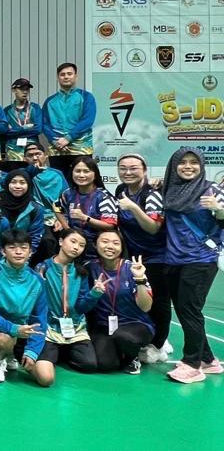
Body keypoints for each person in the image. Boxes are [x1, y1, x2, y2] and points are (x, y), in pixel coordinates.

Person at [159, 147, 224, 383]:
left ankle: (192, 364)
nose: (188, 166)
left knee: (189, 309)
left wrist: (219, 210)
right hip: (175, 258)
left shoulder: (212, 190)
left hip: (200, 259)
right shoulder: (171, 189)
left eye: (193, 162)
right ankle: (208, 360)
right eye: (182, 162)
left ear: (202, 165)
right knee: (185, 308)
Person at [113, 153, 171, 363]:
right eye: (123, 168)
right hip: (134, 256)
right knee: (139, 299)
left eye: (133, 168)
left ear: (144, 170)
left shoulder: (152, 194)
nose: (128, 172)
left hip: (158, 256)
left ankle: (159, 345)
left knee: (159, 301)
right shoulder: (121, 190)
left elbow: (153, 228)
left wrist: (134, 208)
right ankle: (154, 336)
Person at [0, 230, 49, 385]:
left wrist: (32, 351)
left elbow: (40, 318)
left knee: (46, 379)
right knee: (4, 339)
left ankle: (11, 355)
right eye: (12, 247)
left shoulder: (37, 280)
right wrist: (14, 329)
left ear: (30, 251)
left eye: (23, 247)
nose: (18, 252)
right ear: (3, 251)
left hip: (25, 331)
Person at [34, 230, 103, 382]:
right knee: (46, 373)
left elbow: (81, 307)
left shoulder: (81, 272)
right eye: (73, 241)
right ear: (60, 241)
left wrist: (94, 294)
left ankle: (62, 352)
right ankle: (55, 351)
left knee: (89, 365)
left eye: (82, 245)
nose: (76, 247)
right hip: (49, 328)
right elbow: (36, 301)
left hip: (75, 327)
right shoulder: (42, 268)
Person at [87, 231, 154, 374]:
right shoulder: (90, 267)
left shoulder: (132, 268)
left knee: (123, 336)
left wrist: (140, 279)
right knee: (105, 365)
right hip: (105, 326)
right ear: (95, 245)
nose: (110, 246)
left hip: (136, 324)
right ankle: (119, 352)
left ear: (122, 247)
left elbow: (146, 306)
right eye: (105, 241)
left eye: (116, 243)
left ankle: (132, 356)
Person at [55, 156, 117, 257]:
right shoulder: (68, 193)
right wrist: (67, 228)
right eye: (77, 171)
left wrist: (85, 218)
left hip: (96, 247)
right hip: (73, 245)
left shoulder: (104, 197)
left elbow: (110, 226)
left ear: (95, 174)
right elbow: (56, 207)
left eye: (86, 171)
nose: (81, 175)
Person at [42, 63, 96, 176]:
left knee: (83, 181)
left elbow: (87, 120)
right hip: (57, 149)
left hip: (81, 148)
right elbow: (44, 124)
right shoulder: (50, 101)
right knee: (60, 183)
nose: (66, 77)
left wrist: (68, 138)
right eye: (62, 74)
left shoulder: (86, 97)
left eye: (69, 74)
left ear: (76, 76)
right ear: (58, 78)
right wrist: (54, 141)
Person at [0, 169, 48, 263]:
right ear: (7, 184)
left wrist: (25, 258)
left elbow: (35, 236)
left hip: (22, 253)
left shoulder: (35, 208)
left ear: (28, 185)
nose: (17, 186)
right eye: (13, 182)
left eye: (22, 183)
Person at [3, 78, 43, 162]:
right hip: (12, 150)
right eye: (21, 89)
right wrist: (25, 128)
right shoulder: (7, 110)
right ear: (13, 90)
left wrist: (14, 130)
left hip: (32, 150)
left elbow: (38, 129)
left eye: (27, 89)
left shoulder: (35, 108)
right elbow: (5, 132)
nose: (25, 92)